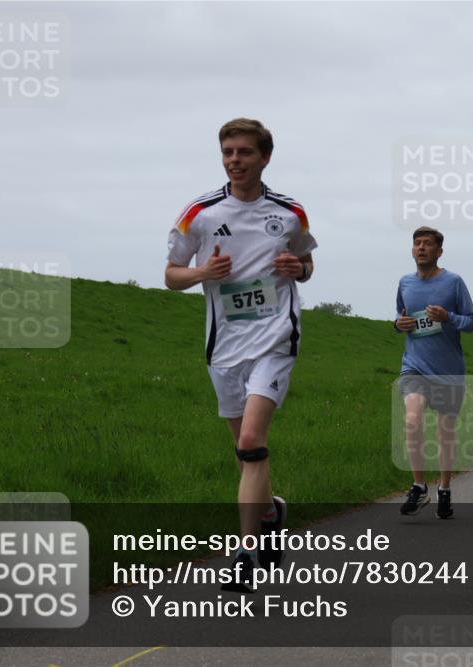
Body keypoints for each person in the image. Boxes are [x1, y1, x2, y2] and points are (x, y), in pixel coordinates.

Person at [164, 118, 317, 591]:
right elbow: (171, 274)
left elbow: (306, 262)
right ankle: (271, 513)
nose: (235, 160)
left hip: (274, 339)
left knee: (252, 440)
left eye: (245, 152)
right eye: (228, 151)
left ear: (265, 157)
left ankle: (245, 553)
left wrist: (300, 266)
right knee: (245, 451)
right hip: (224, 347)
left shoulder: (289, 212)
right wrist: (202, 271)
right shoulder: (200, 213)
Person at [394, 227, 473, 519]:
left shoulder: (453, 282)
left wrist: (448, 317)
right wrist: (399, 324)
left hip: (448, 371)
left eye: (427, 244)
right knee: (412, 418)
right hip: (414, 366)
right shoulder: (405, 283)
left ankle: (444, 489)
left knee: (445, 434)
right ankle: (419, 486)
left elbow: (472, 322)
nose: (421, 248)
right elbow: (400, 316)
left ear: (439, 251)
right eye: (417, 244)